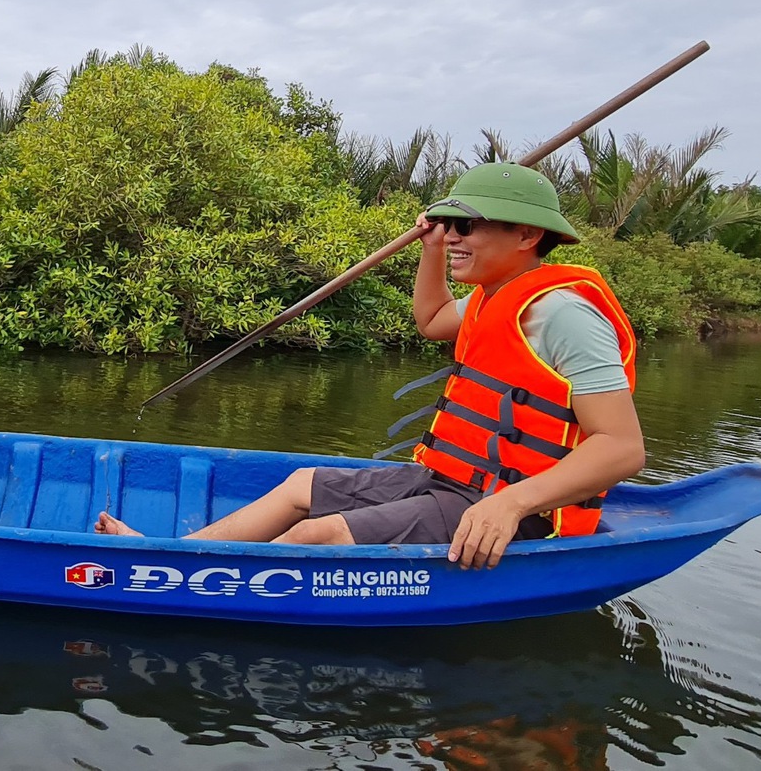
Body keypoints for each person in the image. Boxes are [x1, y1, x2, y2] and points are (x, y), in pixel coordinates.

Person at [96, 164, 645, 568]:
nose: (455, 235)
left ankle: (187, 579)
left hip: (512, 509)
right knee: (301, 485)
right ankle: (174, 557)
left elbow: (621, 448)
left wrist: (512, 503)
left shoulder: (562, 314)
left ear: (527, 235)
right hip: (453, 481)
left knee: (319, 535)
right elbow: (432, 319)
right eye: (449, 223)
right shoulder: (490, 298)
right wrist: (431, 249)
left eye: (469, 226)